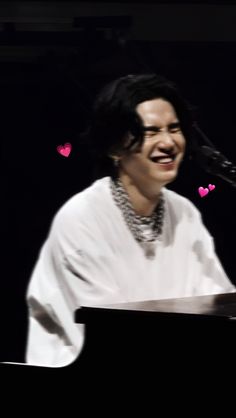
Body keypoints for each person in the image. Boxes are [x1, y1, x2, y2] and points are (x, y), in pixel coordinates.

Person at [25, 74, 235, 368]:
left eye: (174, 129)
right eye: (150, 132)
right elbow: (111, 334)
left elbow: (217, 306)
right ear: (114, 147)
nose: (168, 142)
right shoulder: (82, 218)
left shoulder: (184, 212)